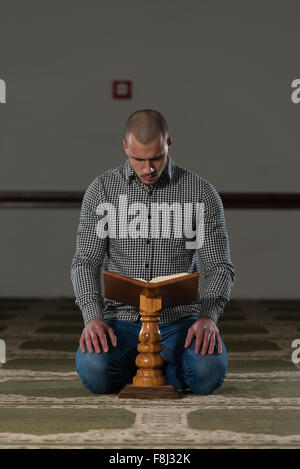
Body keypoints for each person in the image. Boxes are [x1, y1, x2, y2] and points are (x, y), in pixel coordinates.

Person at [71, 109, 235, 395]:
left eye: (156, 158)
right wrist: (93, 318)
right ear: (125, 147)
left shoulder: (201, 193)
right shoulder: (101, 191)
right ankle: (161, 368)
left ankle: (145, 368)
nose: (148, 169)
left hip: (180, 322)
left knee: (207, 374)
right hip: (121, 321)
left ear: (168, 144)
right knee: (94, 372)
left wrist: (208, 317)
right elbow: (85, 262)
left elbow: (219, 267)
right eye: (139, 159)